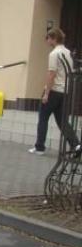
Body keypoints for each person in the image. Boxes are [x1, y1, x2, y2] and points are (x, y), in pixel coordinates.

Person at [29, 28, 81, 156]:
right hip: (65, 91)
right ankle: (77, 145)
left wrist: (46, 93)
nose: (47, 41)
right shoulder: (68, 53)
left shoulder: (54, 54)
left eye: (48, 38)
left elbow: (51, 74)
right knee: (62, 121)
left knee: (43, 118)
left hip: (53, 90)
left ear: (53, 38)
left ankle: (39, 147)